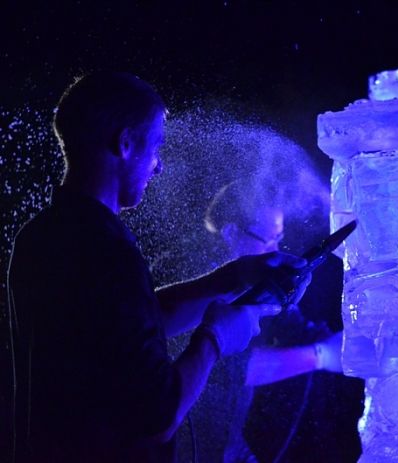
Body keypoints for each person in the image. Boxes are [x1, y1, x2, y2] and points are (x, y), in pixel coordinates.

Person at [6, 72, 310, 463]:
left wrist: (238, 276)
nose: (159, 166)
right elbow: (158, 416)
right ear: (125, 143)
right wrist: (215, 338)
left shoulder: (40, 236)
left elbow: (130, 326)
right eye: (156, 147)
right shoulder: (106, 250)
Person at [185, 182, 346, 462]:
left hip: (228, 446)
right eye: (269, 240)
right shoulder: (193, 281)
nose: (276, 249)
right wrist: (318, 356)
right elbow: (233, 371)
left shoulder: (258, 284)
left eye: (279, 238)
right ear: (231, 233)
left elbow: (298, 328)